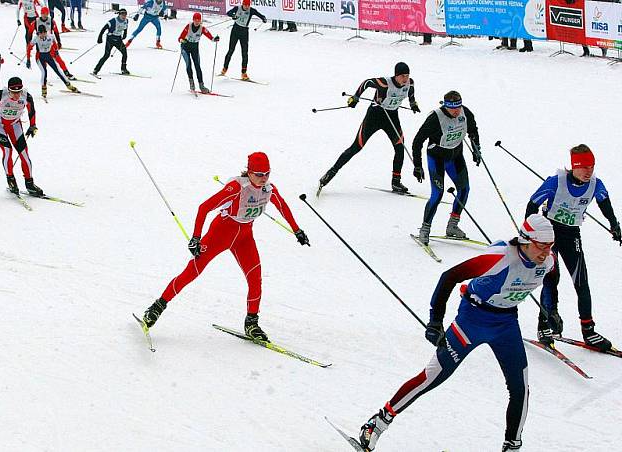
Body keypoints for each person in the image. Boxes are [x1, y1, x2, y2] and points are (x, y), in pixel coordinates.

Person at [352, 214, 555, 452]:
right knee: (434, 376)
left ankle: (512, 446)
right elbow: (449, 277)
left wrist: (551, 311)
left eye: (550, 246)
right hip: (473, 319)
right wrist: (435, 321)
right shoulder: (499, 258)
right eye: (541, 246)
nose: (545, 252)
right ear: (525, 240)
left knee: (520, 387)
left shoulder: (548, 261)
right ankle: (377, 423)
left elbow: (552, 281)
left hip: (506, 324)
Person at [141, 152, 311, 341]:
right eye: (258, 174)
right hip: (220, 234)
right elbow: (204, 207)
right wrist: (196, 237)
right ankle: (157, 307)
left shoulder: (268, 189)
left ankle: (251, 324)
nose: (263, 179)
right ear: (249, 172)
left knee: (255, 278)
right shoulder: (237, 187)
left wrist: (297, 230)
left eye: (267, 174)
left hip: (244, 237)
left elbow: (283, 207)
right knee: (192, 272)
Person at [526, 144, 620, 351]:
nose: (589, 171)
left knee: (581, 282)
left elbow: (605, 204)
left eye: (592, 166)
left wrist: (615, 225)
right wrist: (529, 233)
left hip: (571, 234)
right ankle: (545, 323)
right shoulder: (555, 182)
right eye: (584, 167)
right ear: (574, 166)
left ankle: (588, 331)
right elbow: (532, 204)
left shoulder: (596, 184)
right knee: (551, 277)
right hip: (548, 234)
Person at [317, 62, 420, 195]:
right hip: (374, 116)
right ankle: (329, 174)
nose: (405, 79)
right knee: (356, 147)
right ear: (396, 75)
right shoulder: (384, 83)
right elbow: (366, 83)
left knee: (400, 147)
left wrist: (413, 104)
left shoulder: (410, 83)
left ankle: (396, 182)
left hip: (392, 117)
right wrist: (355, 97)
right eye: (402, 76)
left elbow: (411, 94)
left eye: (407, 75)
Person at [411, 90, 480, 245]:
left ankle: (452, 226)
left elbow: (473, 130)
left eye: (458, 107)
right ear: (445, 106)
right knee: (438, 194)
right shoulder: (435, 118)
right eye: (452, 108)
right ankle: (425, 229)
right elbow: (417, 141)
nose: (456, 111)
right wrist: (417, 165)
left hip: (455, 157)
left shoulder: (465, 112)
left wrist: (476, 149)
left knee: (464, 189)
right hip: (437, 159)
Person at [0, 76, 43, 197]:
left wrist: (33, 125)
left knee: (24, 154)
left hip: (14, 125)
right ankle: (11, 180)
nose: (16, 95)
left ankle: (29, 183)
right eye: (13, 92)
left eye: (18, 92)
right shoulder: (1, 95)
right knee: (7, 150)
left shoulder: (26, 96)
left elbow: (32, 111)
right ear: (8, 90)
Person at [26, 25, 77, 98]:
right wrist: (28, 60)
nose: (42, 35)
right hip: (40, 57)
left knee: (58, 70)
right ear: (38, 33)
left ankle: (69, 85)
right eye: (40, 34)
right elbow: (29, 48)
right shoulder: (36, 38)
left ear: (46, 32)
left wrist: (56, 50)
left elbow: (54, 43)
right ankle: (44, 90)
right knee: (44, 72)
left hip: (48, 55)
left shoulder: (50, 36)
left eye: (44, 33)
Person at [220, 0, 266, 81]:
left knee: (245, 53)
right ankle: (224, 69)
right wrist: (233, 15)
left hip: (244, 32)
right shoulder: (237, 8)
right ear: (243, 4)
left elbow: (260, 15)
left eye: (248, 5)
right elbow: (228, 13)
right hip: (235, 30)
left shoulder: (251, 10)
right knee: (231, 50)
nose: (247, 7)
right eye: (245, 5)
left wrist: (263, 18)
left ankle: (244, 73)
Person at [178, 12, 218, 93]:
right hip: (185, 48)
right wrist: (183, 40)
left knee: (197, 66)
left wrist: (215, 39)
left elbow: (210, 37)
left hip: (194, 48)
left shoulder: (202, 28)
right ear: (193, 20)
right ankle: (192, 84)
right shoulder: (188, 26)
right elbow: (180, 38)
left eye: (198, 20)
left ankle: (201, 86)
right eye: (195, 20)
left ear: (201, 21)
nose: (197, 22)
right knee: (189, 64)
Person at [33, 7, 74, 79]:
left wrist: (59, 42)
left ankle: (66, 73)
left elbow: (56, 32)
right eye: (43, 14)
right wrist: (29, 42)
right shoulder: (36, 21)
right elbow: (30, 32)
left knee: (58, 59)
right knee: (43, 61)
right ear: (41, 13)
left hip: (50, 43)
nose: (44, 15)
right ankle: (44, 76)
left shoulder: (51, 21)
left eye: (46, 14)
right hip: (40, 44)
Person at [92, 9, 128, 76]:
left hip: (118, 39)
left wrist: (125, 34)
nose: (124, 16)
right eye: (122, 15)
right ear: (119, 14)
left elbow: (125, 27)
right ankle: (96, 70)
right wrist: (100, 37)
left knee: (124, 53)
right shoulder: (113, 21)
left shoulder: (126, 21)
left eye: (125, 15)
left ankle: (123, 69)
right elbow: (104, 28)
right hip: (110, 39)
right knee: (106, 55)